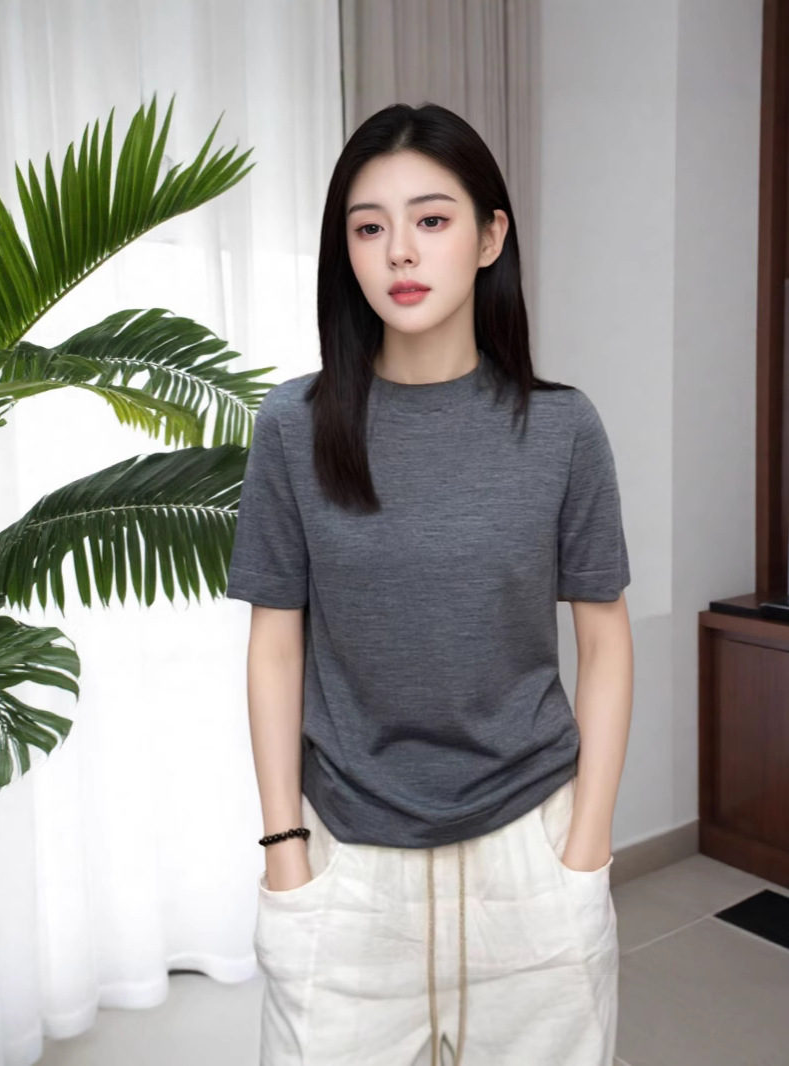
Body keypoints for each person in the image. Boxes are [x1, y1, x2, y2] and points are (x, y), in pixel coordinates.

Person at [226, 101, 634, 1066]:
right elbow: (274, 645)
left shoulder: (563, 430)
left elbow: (605, 641)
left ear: (490, 238)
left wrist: (585, 847)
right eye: (368, 228)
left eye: (432, 219)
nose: (399, 252)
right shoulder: (292, 426)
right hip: (348, 872)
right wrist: (284, 849)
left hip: (531, 860)